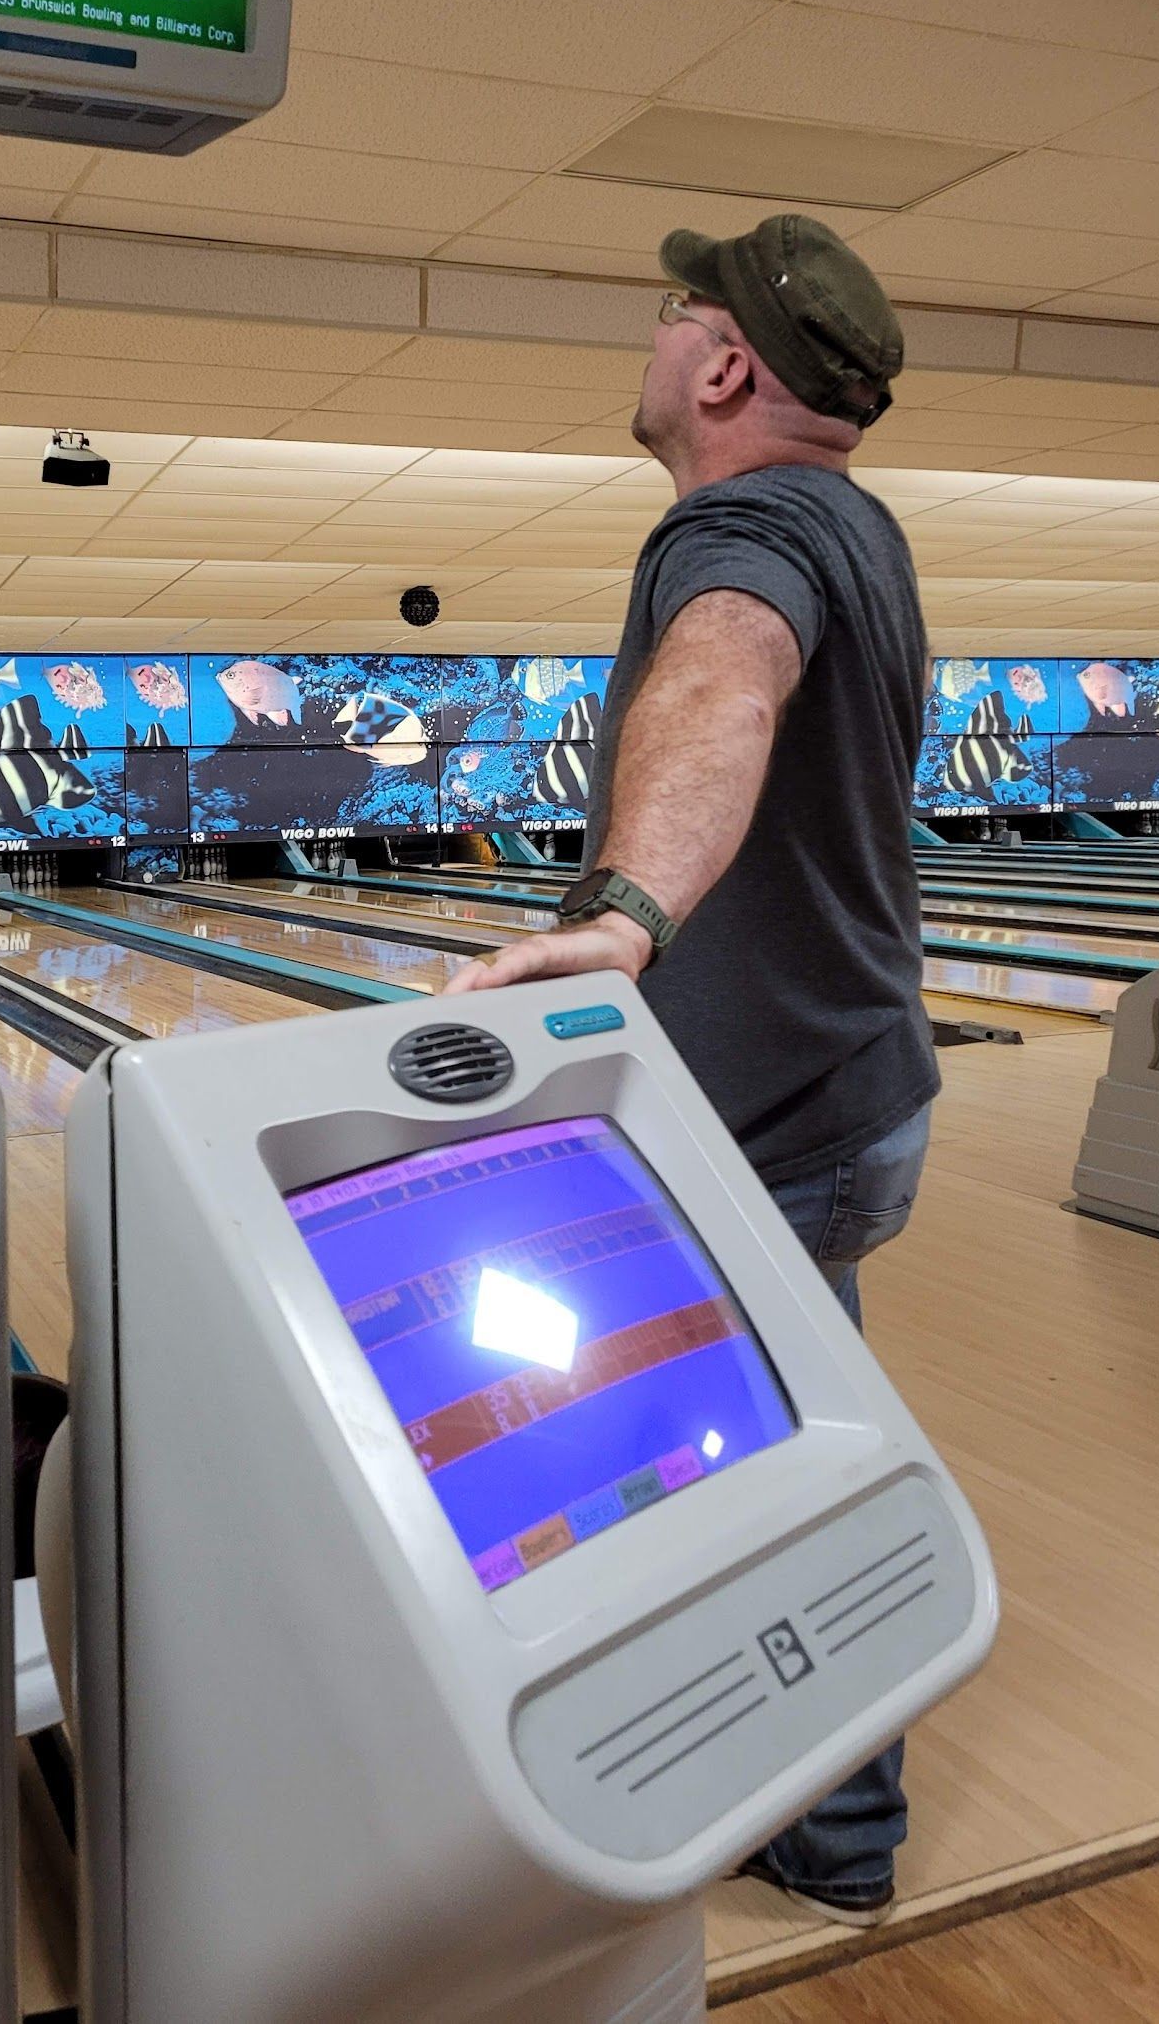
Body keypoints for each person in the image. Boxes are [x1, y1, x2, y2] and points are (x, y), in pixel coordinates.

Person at [445, 212, 937, 1927]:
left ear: (726, 365)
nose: (653, 334)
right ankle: (815, 1807)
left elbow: (728, 671)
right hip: (863, 1086)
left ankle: (805, 1818)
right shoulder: (864, 526)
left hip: (767, 1119)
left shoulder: (738, 527)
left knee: (716, 1473)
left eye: (673, 309)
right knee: (794, 1440)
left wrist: (625, 917)